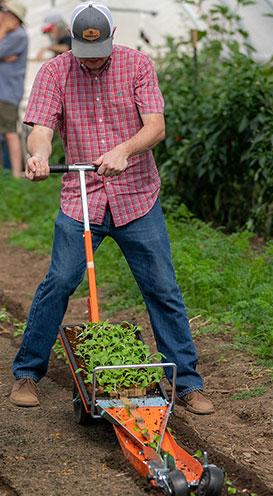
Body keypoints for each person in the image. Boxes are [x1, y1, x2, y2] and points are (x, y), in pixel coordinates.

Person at [10, 2, 214, 416]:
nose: (94, 59)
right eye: (85, 53)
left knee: (162, 288)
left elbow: (155, 127)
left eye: (100, 49)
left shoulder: (137, 65)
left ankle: (188, 383)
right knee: (60, 281)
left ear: (113, 34)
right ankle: (28, 371)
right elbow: (42, 131)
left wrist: (124, 150)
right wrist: (38, 156)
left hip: (137, 196)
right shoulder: (56, 72)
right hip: (82, 196)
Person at [0, 0, 27, 177]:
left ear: (14, 18)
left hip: (8, 93)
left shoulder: (18, 35)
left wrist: (2, 30)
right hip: (3, 91)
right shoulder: (10, 35)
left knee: (10, 132)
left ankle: (17, 175)